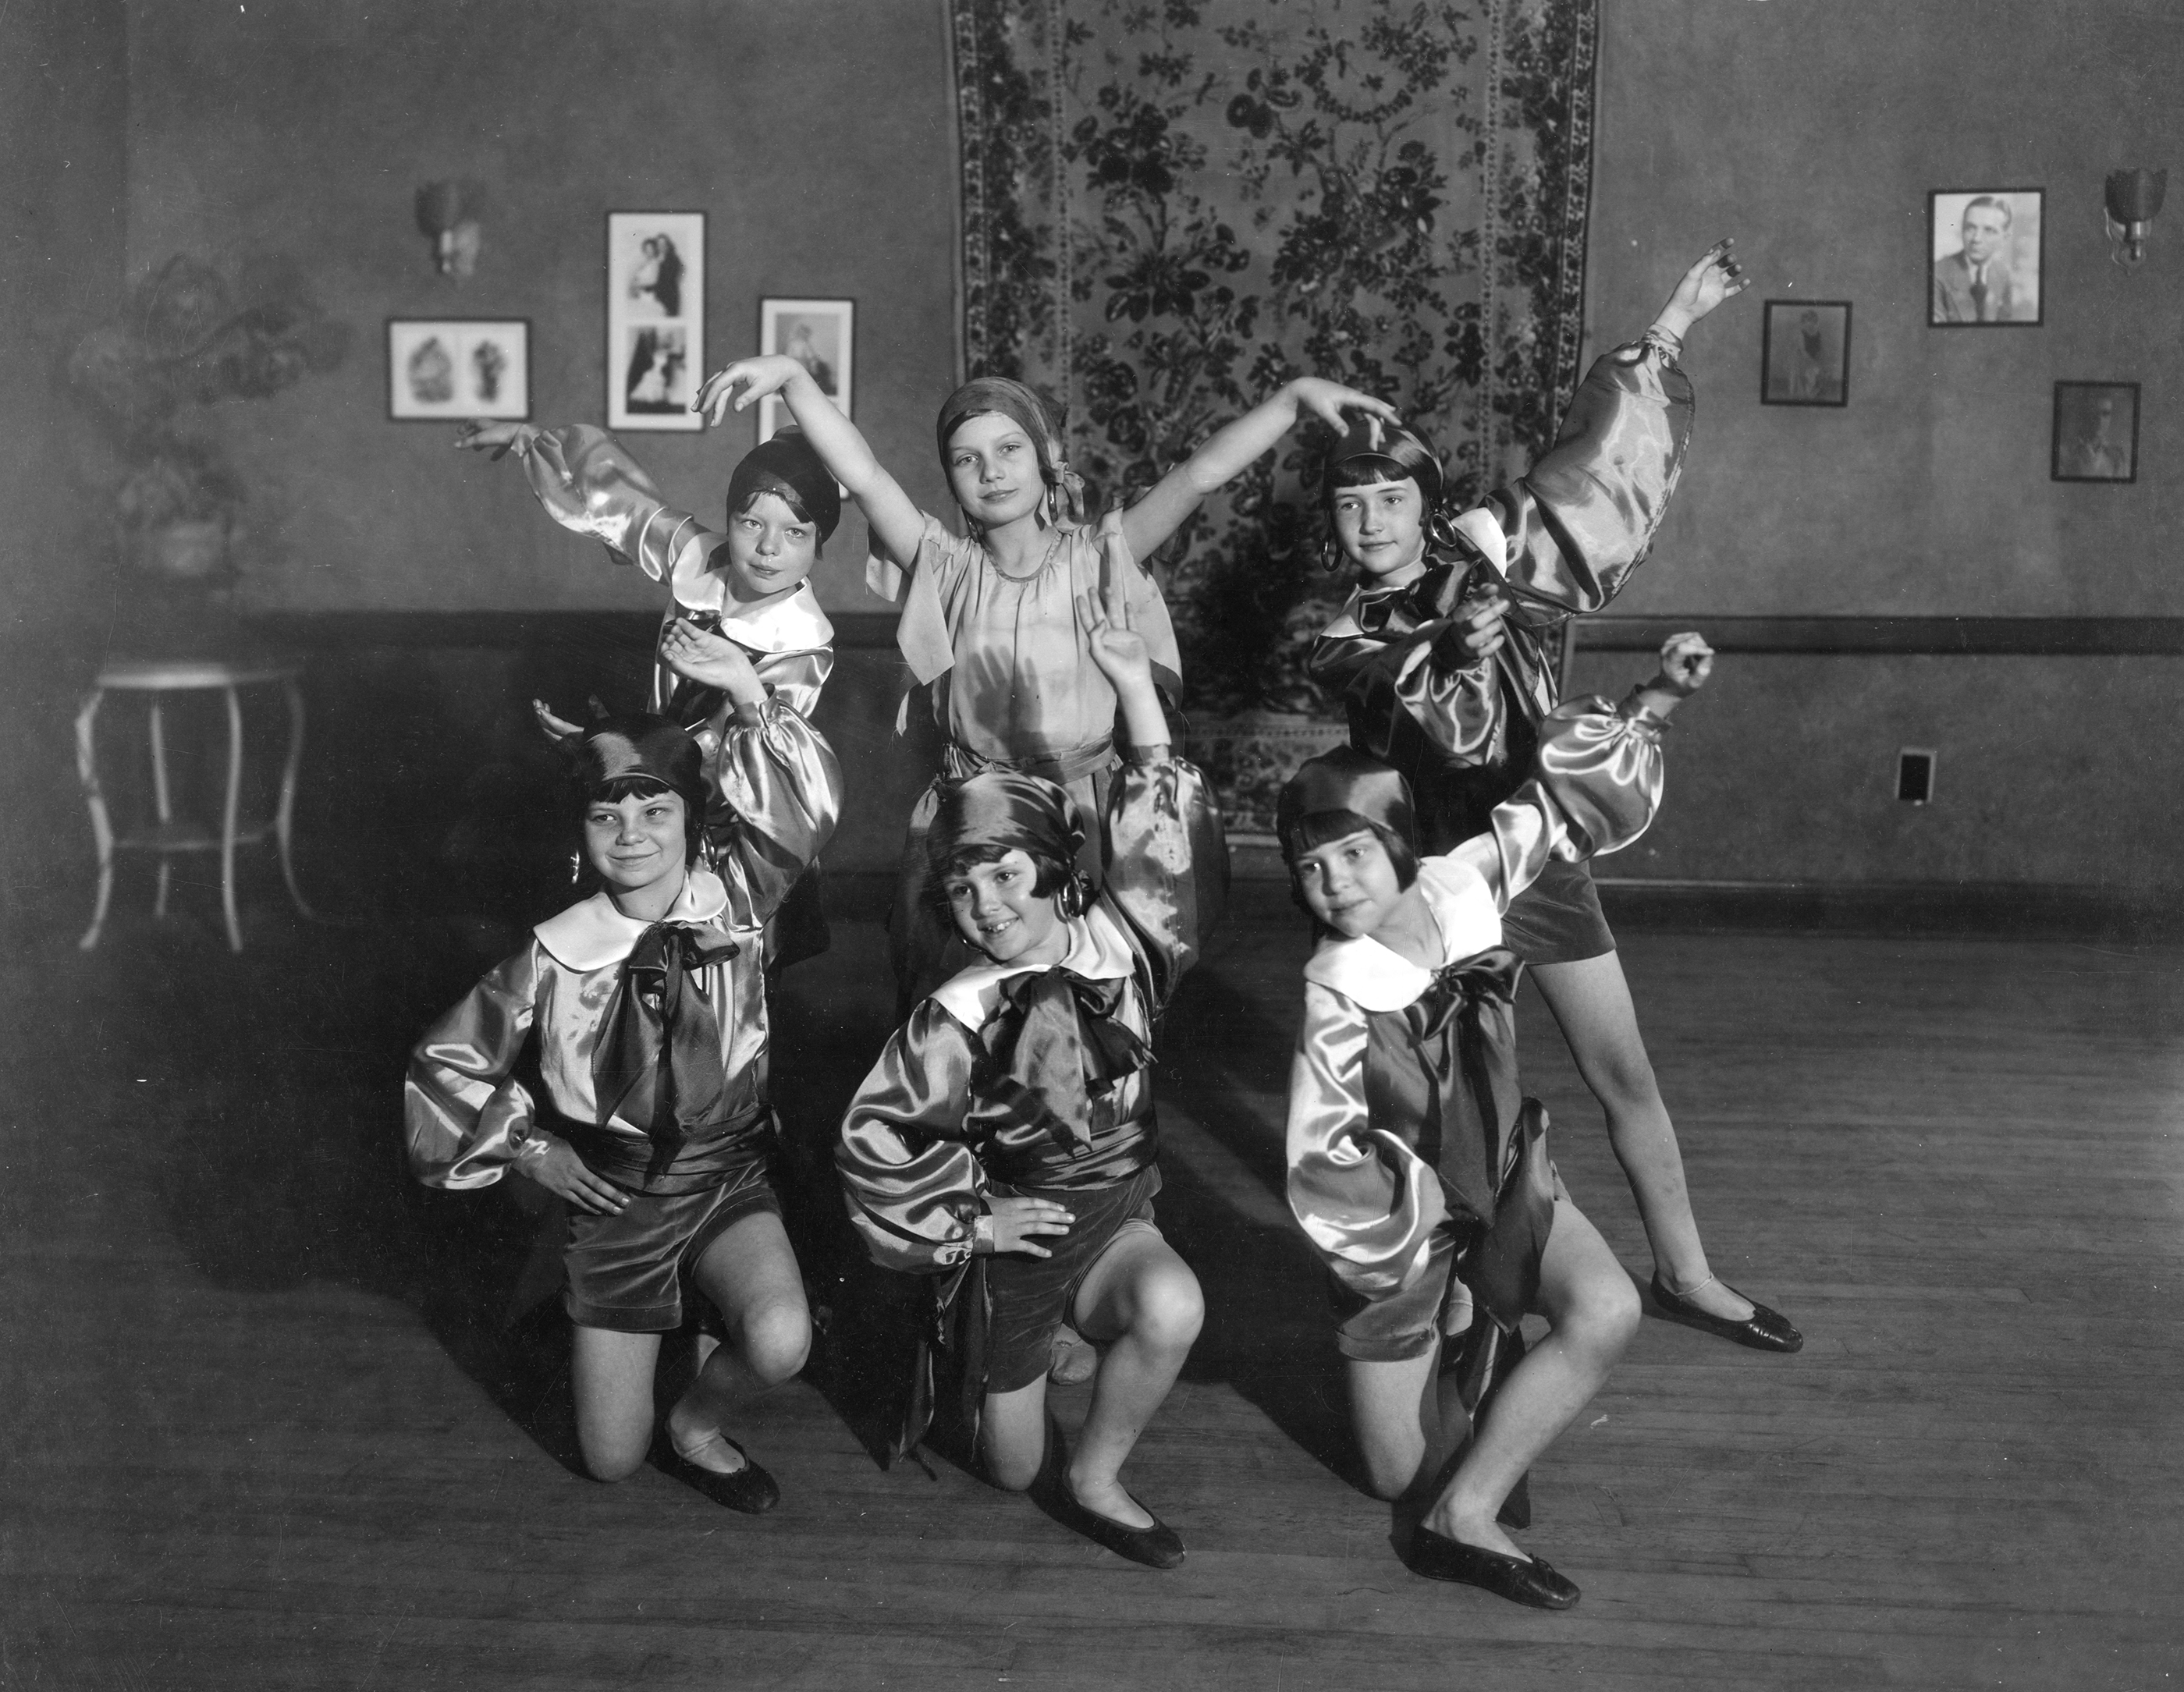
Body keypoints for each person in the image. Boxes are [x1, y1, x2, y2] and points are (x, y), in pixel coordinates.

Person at [1307, 240, 1800, 1353]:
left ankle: (1685, 1270)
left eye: (1389, 499)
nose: (1371, 522)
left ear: (1422, 503)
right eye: (1350, 507)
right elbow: (1387, 686)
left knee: (1621, 1067)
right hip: (1433, 893)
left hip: (1533, 856)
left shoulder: (1488, 554)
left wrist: (1673, 318)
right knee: (1455, 1118)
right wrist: (1448, 646)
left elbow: (1593, 463)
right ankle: (1464, 1319)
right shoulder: (1341, 635)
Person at [691, 353, 1395, 1012]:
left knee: (1084, 994)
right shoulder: (944, 563)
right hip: (970, 811)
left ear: (1047, 459)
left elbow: (1200, 476)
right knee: (962, 993)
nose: (990, 472)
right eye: (967, 459)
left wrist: (1291, 399)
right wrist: (790, 377)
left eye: (1008, 450)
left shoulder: (1101, 551)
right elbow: (867, 475)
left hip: (1081, 811)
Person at [1282, 637, 1710, 1609]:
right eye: (1311, 869)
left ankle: (1460, 1515)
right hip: (1410, 1240)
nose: (1337, 883)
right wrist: (1439, 1266)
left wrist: (1655, 698)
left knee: (1608, 1310)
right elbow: (1322, 1177)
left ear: (1401, 850)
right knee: (1392, 1470)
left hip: (1509, 1179)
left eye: (1354, 855)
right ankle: (1465, 1347)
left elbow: (1554, 805)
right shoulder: (1336, 1000)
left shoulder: (1463, 885)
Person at [835, 609, 1220, 1568]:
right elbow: (873, 1140)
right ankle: (997, 1345)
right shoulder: (957, 1013)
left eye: (1006, 877)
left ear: (1055, 872)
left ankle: (1096, 1476)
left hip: (1120, 1218)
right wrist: (973, 1224)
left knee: (1175, 1307)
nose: (988, 907)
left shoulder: (1124, 950)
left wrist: (1138, 696)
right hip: (1018, 1244)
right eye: (963, 893)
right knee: (1008, 1471)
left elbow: (1166, 850)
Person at [405, 705, 840, 1509]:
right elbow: (443, 1062)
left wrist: (748, 698)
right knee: (609, 1460)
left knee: (781, 1341)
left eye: (655, 811)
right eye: (608, 815)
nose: (632, 833)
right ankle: (643, 1324)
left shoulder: (740, 906)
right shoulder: (551, 953)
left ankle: (698, 1424)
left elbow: (800, 813)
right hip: (617, 1198)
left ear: (692, 820)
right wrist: (530, 1146)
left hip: (724, 1175)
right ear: (582, 830)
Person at [455, 416, 841, 970]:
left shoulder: (803, 645)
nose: (767, 548)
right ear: (728, 518)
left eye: (796, 533)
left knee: (713, 985)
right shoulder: (700, 560)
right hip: (653, 800)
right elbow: (619, 502)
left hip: (736, 841)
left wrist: (615, 751)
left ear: (819, 541)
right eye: (750, 522)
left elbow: (753, 772)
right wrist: (529, 439)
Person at [1932, 197, 2028, 323]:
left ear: (2004, 238)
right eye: (1970, 228)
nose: (1976, 238)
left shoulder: (2002, 273)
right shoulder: (1938, 273)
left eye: (1989, 230)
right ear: (1962, 229)